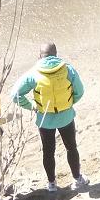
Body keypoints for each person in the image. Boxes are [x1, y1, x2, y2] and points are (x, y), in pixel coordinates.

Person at [11, 43, 89, 192]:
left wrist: (32, 106)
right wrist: (69, 103)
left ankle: (52, 184)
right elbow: (80, 91)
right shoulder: (67, 69)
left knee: (48, 152)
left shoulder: (34, 73)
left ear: (39, 55)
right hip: (66, 117)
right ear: (56, 54)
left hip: (45, 119)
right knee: (71, 148)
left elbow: (15, 95)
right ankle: (77, 178)